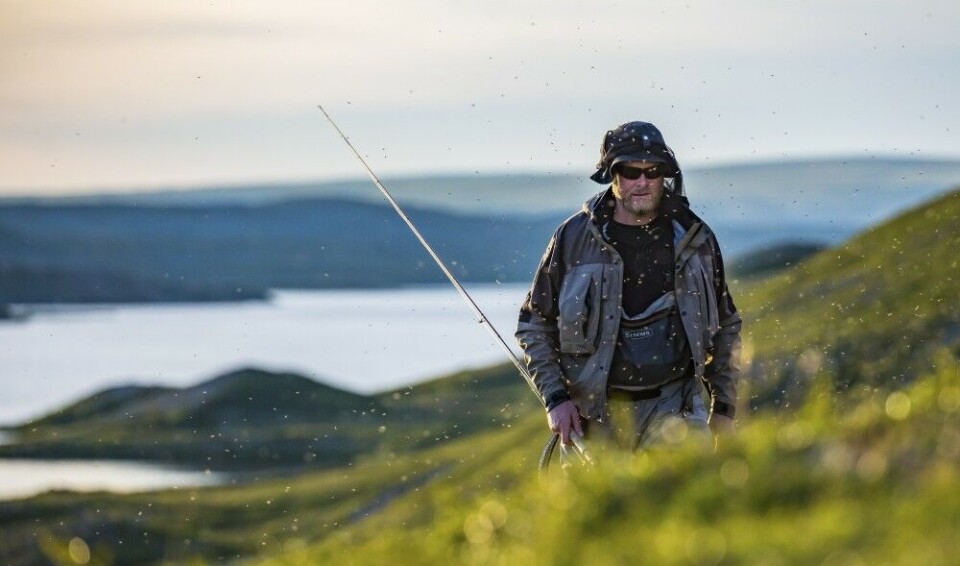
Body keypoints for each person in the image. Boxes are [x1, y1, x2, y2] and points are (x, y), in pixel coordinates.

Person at [516, 121, 741, 450]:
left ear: (665, 175)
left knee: (688, 500)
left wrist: (724, 407)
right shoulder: (572, 239)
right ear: (612, 174)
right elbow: (534, 323)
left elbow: (727, 326)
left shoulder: (696, 238)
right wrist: (555, 399)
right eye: (631, 171)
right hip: (593, 417)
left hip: (677, 409)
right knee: (597, 504)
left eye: (653, 172)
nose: (643, 182)